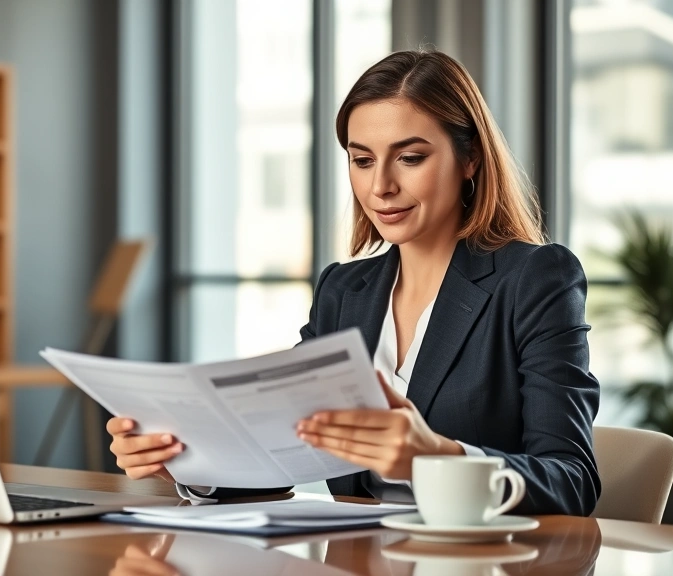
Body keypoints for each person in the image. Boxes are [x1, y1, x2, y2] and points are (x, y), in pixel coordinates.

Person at [107, 49, 601, 516]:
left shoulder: (535, 279)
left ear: (469, 159)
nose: (380, 186)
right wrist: (189, 460)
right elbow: (288, 453)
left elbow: (572, 480)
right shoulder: (344, 291)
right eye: (362, 160)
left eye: (410, 158)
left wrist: (435, 458)